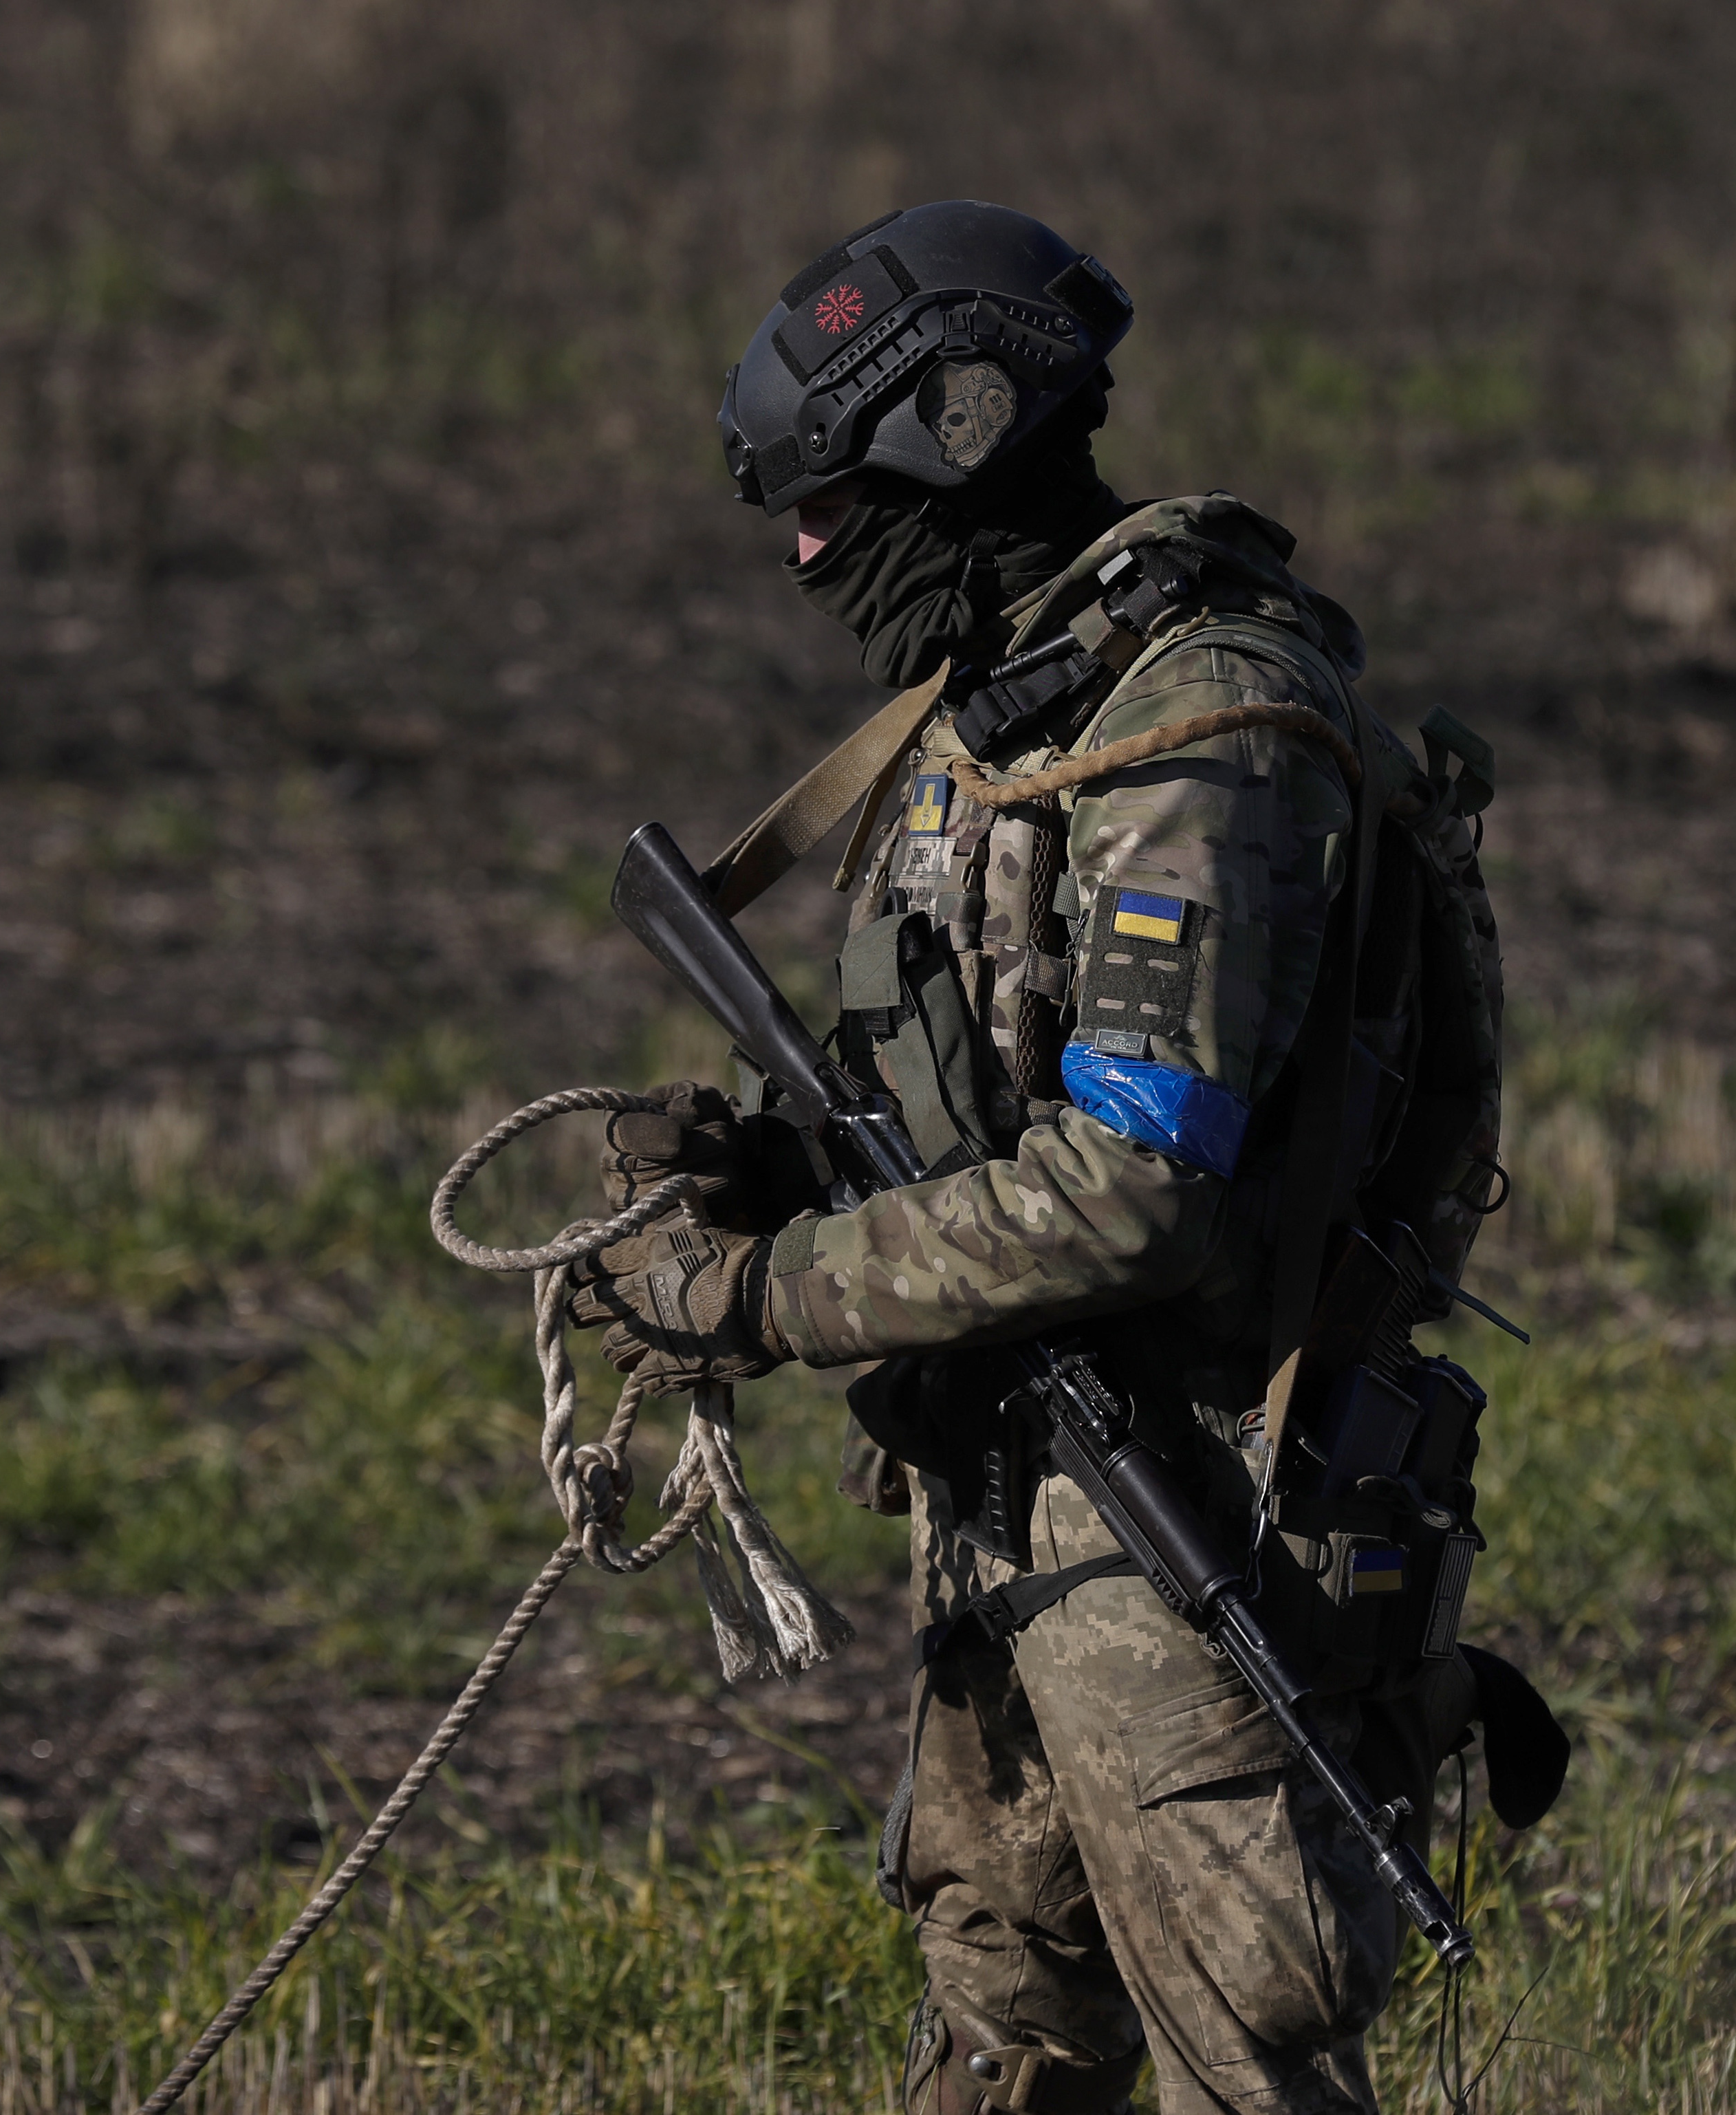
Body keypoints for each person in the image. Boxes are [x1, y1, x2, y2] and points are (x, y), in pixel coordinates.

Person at [569, 200, 1538, 2115]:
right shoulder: (1016, 708)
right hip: (1022, 1484)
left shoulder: (1201, 729)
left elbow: (1134, 1184)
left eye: (835, 498)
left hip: (1193, 1490)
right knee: (1007, 2038)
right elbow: (990, 1098)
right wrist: (793, 1175)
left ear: (957, 436)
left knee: (1239, 2061)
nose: (806, 551)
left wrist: (772, 1294)